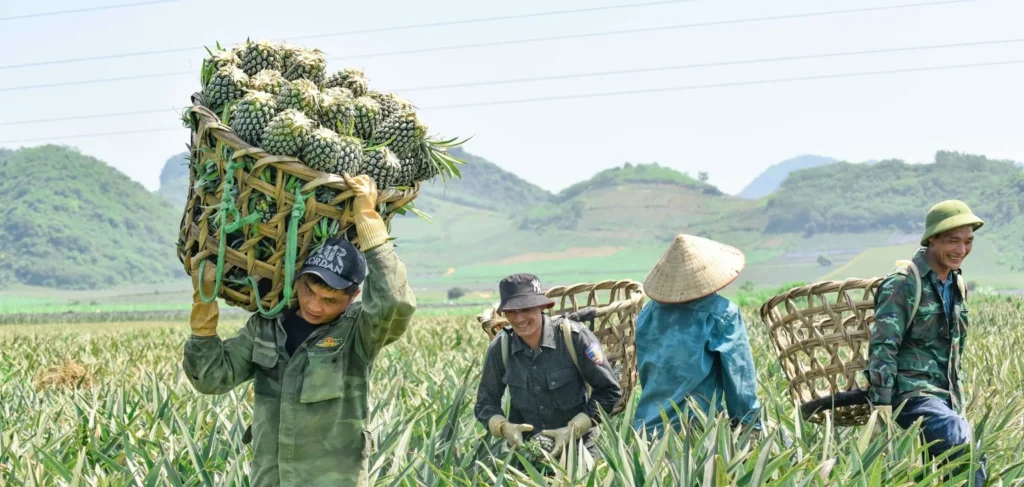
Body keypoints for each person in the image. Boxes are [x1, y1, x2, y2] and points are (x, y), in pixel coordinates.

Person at [182, 173, 416, 487]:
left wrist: (368, 218)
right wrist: (204, 305)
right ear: (298, 280)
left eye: (330, 299)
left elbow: (394, 304)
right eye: (309, 291)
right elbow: (212, 378)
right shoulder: (267, 326)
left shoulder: (358, 333)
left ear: (352, 297)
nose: (315, 306)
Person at [868, 199, 986, 486]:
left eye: (968, 242)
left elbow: (956, 348)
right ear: (932, 238)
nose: (961, 250)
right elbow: (883, 344)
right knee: (963, 444)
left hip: (945, 397)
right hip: (911, 394)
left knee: (946, 473)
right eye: (953, 241)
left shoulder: (957, 284)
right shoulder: (903, 282)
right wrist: (882, 403)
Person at [474, 273, 622, 463]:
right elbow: (484, 404)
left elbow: (609, 392)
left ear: (542, 306)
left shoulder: (574, 337)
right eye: (511, 311)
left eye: (526, 309)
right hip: (527, 456)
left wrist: (573, 429)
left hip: (580, 452)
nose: (519, 318)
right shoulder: (501, 347)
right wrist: (504, 427)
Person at [633, 234, 763, 438]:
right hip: (696, 433)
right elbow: (739, 379)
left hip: (645, 429)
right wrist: (749, 426)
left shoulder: (646, 314)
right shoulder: (722, 313)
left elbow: (647, 375)